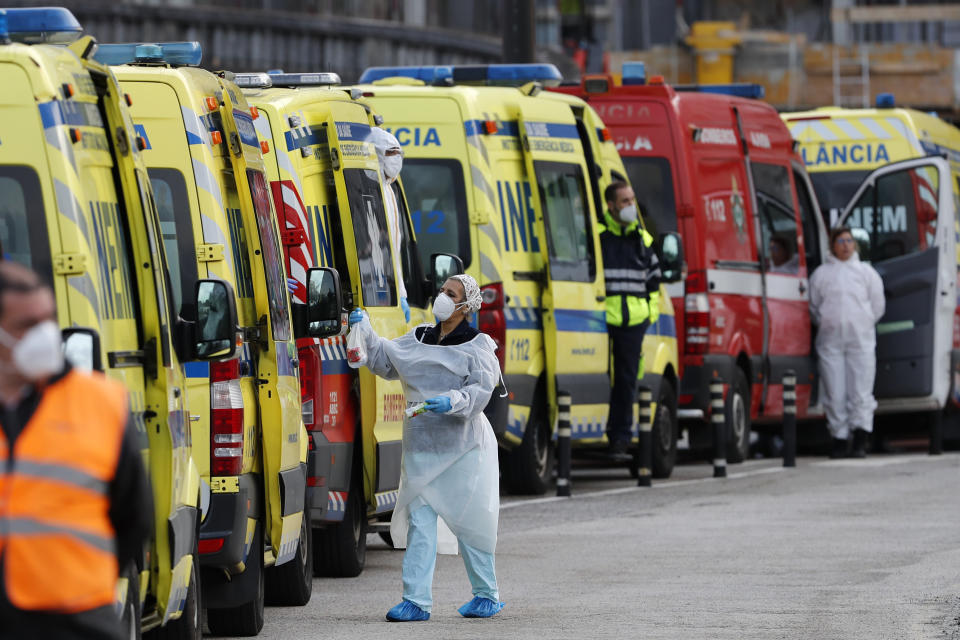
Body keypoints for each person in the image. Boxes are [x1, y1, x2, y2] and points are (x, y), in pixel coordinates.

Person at [0, 262, 153, 640]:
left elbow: (135, 516)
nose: (45, 336)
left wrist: (83, 578)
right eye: (28, 325)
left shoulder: (99, 403)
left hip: (77, 619)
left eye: (48, 320)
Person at [347, 273, 503, 621]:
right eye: (443, 290)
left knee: (470, 522)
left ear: (465, 306)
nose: (442, 296)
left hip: (464, 450)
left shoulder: (476, 345)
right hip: (422, 448)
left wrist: (453, 401)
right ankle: (416, 600)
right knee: (420, 521)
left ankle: (486, 594)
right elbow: (385, 359)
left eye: (452, 293)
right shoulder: (420, 338)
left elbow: (481, 391)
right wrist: (365, 330)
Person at [809, 227, 885, 459]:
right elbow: (814, 307)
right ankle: (839, 439)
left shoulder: (866, 273)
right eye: (840, 241)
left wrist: (862, 323)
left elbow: (877, 305)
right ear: (832, 245)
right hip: (831, 341)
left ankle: (860, 438)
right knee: (835, 391)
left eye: (849, 240)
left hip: (860, 340)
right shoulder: (821, 274)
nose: (845, 245)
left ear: (855, 244)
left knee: (861, 390)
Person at [599, 181, 661, 460]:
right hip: (601, 320)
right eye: (625, 201)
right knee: (602, 376)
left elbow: (654, 286)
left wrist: (650, 316)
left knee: (626, 380)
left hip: (634, 323)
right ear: (611, 206)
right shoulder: (599, 238)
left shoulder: (643, 240)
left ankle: (620, 438)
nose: (630, 206)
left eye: (632, 200)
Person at [370, 127, 410, 322]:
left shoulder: (389, 189)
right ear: (375, 153)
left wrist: (401, 291)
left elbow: (394, 249)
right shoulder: (371, 190)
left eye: (398, 153)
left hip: (389, 289)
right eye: (390, 153)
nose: (396, 158)